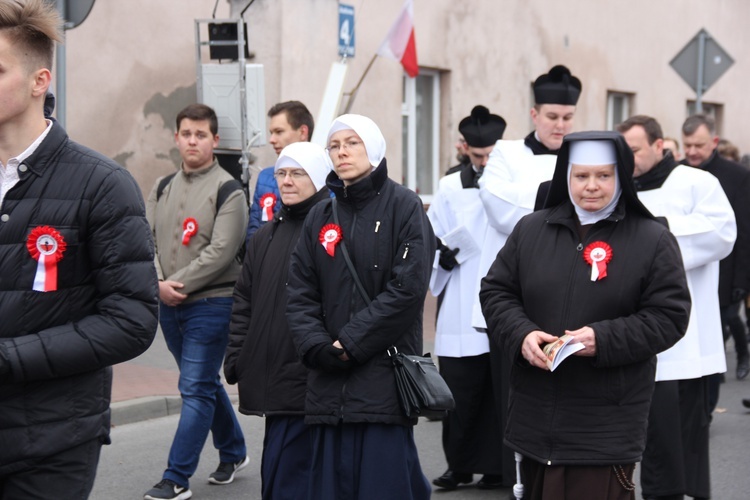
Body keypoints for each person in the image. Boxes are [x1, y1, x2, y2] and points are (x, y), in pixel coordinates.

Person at [0, 1, 159, 497]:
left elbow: (131, 320)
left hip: (51, 442)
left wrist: (8, 358)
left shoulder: (103, 184)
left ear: (38, 81)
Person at [480, 131, 691, 500]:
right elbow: (497, 292)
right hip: (536, 413)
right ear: (567, 177)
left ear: (621, 177)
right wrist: (521, 335)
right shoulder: (531, 230)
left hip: (605, 423)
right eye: (581, 176)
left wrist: (602, 339)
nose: (591, 186)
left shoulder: (652, 238)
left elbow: (669, 317)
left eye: (603, 176)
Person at [286, 114, 435, 499]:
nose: (342, 152)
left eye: (352, 142)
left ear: (373, 147)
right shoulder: (321, 214)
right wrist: (317, 346)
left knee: (381, 483)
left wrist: (350, 343)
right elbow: (300, 290)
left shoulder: (405, 206)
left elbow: (408, 288)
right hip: (327, 378)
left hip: (383, 374)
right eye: (334, 145)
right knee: (330, 485)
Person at [473, 64, 582, 486]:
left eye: (568, 117)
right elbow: (498, 203)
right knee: (515, 391)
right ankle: (516, 478)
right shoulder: (506, 152)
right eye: (552, 116)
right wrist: (562, 202)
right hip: (519, 291)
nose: (560, 125)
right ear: (535, 114)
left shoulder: (584, 151)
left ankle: (565, 473)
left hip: (574, 290)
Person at [618, 115, 735, 500]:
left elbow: (722, 233)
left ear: (659, 145)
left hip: (684, 339)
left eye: (633, 150)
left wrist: (659, 232)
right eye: (622, 151)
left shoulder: (697, 183)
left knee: (683, 437)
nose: (627, 158)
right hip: (631, 332)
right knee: (644, 438)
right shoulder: (616, 188)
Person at [145, 104, 249, 500]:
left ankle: (175, 478)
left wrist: (174, 283)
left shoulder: (229, 190)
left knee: (194, 386)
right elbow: (146, 237)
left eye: (200, 134)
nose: (192, 140)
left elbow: (222, 251)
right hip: (168, 303)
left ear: (214, 141)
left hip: (212, 303)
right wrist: (157, 282)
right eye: (186, 133)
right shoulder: (162, 186)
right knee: (202, 384)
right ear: (177, 138)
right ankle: (235, 451)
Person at [225, 142, 331, 499]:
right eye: (282, 173)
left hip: (310, 375)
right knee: (276, 472)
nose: (286, 181)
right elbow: (244, 300)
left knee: (296, 478)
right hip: (272, 375)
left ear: (318, 178)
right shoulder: (265, 236)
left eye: (297, 173)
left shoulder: (331, 232)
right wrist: (238, 354)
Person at [428, 105, 507, 490]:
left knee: (497, 389)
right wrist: (438, 253)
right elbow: (433, 233)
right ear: (465, 149)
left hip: (504, 295)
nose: (485, 163)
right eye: (478, 157)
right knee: (460, 388)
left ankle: (497, 467)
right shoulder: (449, 186)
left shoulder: (513, 185)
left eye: (492, 155)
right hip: (461, 295)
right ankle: (458, 465)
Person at [683, 114, 750, 382]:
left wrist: (742, 280)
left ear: (714, 142)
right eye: (687, 145)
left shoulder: (738, 176)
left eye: (698, 145)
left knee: (728, 318)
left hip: (728, 269)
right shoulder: (678, 172)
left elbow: (744, 231)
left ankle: (741, 355)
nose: (691, 151)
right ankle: (710, 375)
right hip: (690, 270)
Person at [246, 101, 314, 243]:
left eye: (279, 132)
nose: (271, 140)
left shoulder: (326, 178)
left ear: (302, 132)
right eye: (271, 133)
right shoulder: (265, 177)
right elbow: (253, 230)